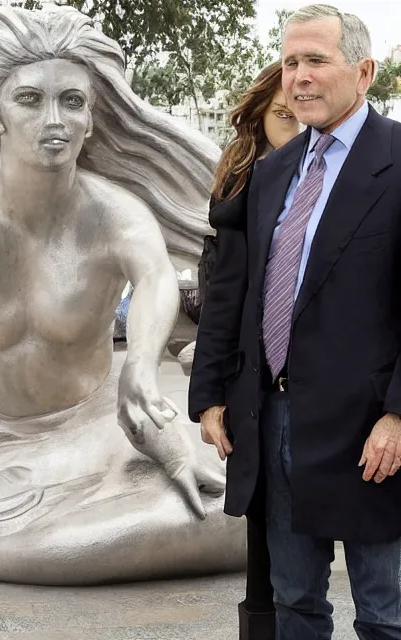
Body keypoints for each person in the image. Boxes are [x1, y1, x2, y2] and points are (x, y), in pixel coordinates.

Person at [0, 5, 246, 585]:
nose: (53, 120)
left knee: (227, 513)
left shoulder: (117, 214)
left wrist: (141, 371)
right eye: (29, 99)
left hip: (92, 427)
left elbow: (156, 280)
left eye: (72, 102)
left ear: (91, 116)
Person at [190, 3, 401, 639]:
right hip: (274, 420)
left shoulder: (397, 161)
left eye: (316, 61)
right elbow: (236, 293)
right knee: (295, 607)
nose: (299, 77)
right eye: (290, 63)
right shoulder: (273, 172)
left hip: (371, 434)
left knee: (384, 616)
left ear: (363, 73)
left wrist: (398, 415)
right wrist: (211, 395)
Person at [189, 61, 299, 639]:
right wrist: (209, 398)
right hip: (255, 384)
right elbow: (222, 300)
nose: (296, 127)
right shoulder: (243, 186)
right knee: (266, 556)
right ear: (258, 116)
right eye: (283, 115)